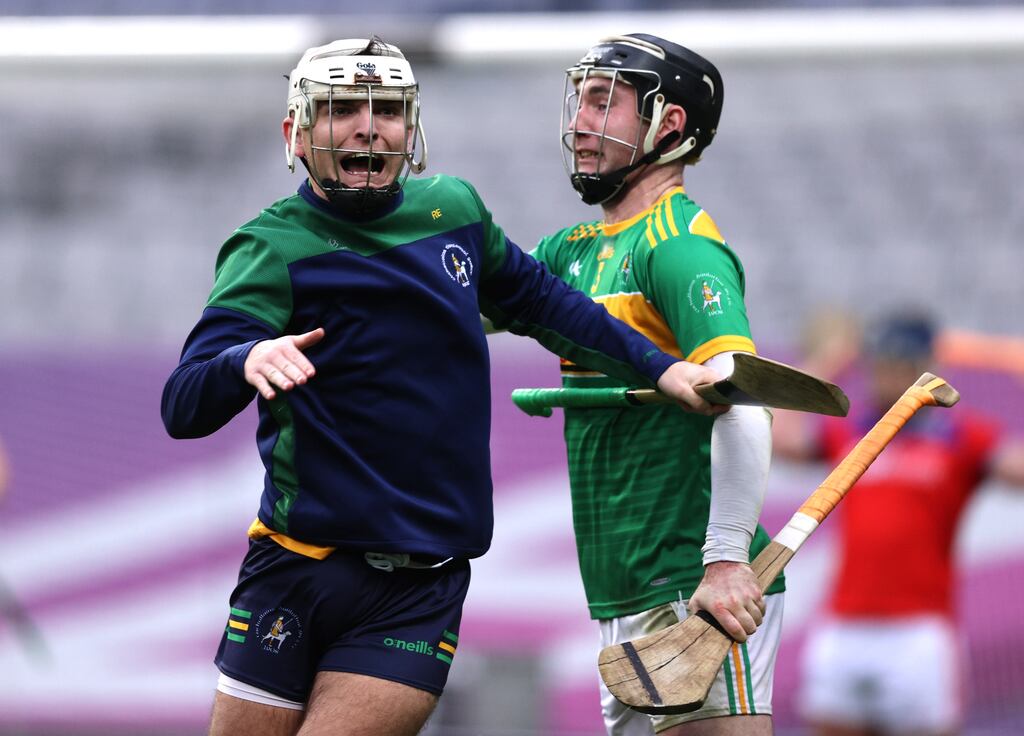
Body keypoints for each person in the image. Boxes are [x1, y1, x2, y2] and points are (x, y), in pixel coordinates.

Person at [160, 37, 726, 736]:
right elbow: (182, 406)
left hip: (419, 586)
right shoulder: (271, 247)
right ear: (296, 132)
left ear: (412, 126)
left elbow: (547, 303)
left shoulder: (453, 211)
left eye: (388, 110)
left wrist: (662, 368)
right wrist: (242, 359)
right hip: (294, 569)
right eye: (342, 109)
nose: (369, 125)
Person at [527, 34, 782, 735]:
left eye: (604, 101)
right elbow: (453, 306)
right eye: (579, 97)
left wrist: (727, 561)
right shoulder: (568, 252)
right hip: (622, 585)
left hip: (691, 580)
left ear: (669, 124)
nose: (580, 119)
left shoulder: (677, 246)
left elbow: (745, 400)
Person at [773, 310, 1024, 736]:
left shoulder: (962, 437)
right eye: (876, 361)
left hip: (919, 633)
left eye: (893, 362)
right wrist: (829, 363)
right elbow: (780, 437)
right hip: (845, 625)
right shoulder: (852, 433)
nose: (881, 374)